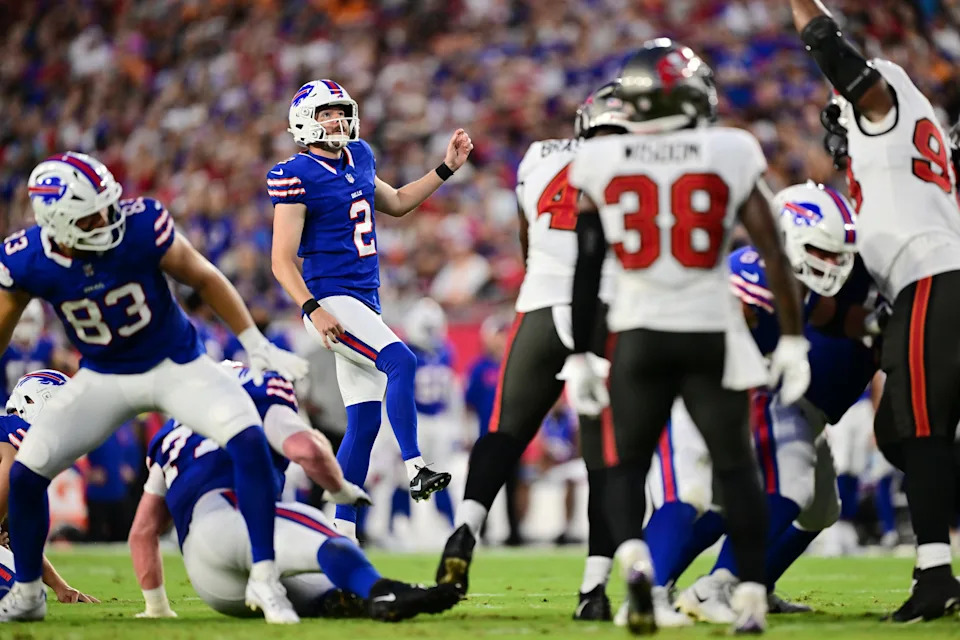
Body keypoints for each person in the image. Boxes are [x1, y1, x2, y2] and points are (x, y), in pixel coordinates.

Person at [561, 42, 809, 634]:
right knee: (736, 468)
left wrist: (578, 354)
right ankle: (749, 597)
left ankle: (639, 567)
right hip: (710, 331)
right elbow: (773, 253)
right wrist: (794, 338)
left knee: (626, 467)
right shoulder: (731, 148)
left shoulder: (601, 159)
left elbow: (587, 265)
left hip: (637, 331)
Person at [0, 151, 308, 623]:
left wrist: (254, 341)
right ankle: (27, 594)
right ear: (57, 223)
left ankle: (265, 578)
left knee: (247, 437)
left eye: (107, 205)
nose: (109, 219)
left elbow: (204, 277)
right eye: (93, 214)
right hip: (103, 375)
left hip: (175, 364)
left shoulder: (141, 224)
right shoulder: (26, 259)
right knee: (26, 471)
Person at [790, 0, 960, 621]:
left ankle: (935, 575)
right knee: (898, 434)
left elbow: (828, 46)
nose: (838, 143)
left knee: (918, 428)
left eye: (841, 122)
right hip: (932, 279)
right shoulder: (918, 134)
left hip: (932, 276)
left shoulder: (882, 102)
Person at [643, 183, 878, 623]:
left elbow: (829, 317)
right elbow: (724, 313)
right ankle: (660, 586)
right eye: (822, 253)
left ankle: (732, 583)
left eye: (837, 255)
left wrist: (875, 322)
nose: (832, 265)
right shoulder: (754, 271)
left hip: (743, 392)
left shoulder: (801, 286)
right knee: (698, 493)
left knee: (799, 494)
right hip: (696, 387)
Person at [435, 97, 616, 613]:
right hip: (602, 307)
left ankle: (466, 529)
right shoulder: (635, 160)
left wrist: (542, 280)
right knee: (605, 451)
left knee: (502, 433)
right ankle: (594, 586)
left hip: (538, 303)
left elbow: (525, 236)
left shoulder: (538, 155)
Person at [270, 79, 472, 540]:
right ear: (305, 120)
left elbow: (397, 202)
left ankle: (340, 533)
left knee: (363, 421)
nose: (338, 121)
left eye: (341, 111)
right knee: (400, 359)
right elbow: (281, 259)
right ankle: (416, 466)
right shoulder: (296, 172)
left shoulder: (358, 156)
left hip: (365, 299)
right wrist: (312, 308)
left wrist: (445, 168)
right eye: (327, 113)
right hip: (331, 298)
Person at [128, 361, 459, 622]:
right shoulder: (257, 392)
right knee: (325, 537)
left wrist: (157, 606)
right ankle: (383, 590)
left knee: (334, 595)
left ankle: (351, 598)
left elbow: (143, 532)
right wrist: (340, 489)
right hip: (232, 520)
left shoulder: (171, 434)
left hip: (210, 583)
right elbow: (307, 451)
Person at [0, 370, 97, 604]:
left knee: (27, 588)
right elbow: (10, 468)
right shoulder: (20, 436)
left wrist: (60, 587)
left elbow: (26, 536)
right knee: (20, 595)